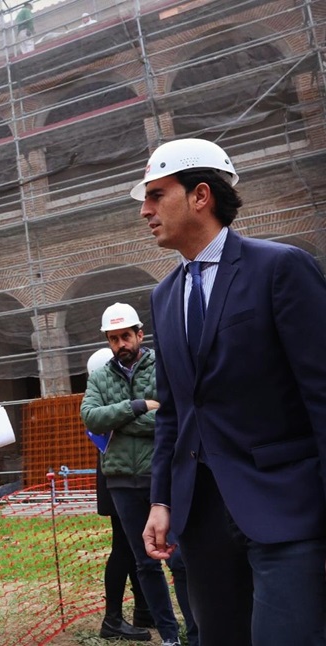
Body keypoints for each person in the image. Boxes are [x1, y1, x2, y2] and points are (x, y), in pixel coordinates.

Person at [133, 137, 326, 646]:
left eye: (155, 195)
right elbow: (174, 412)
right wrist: (162, 502)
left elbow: (321, 394)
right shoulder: (164, 295)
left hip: (286, 508)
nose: (145, 211)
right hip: (203, 522)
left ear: (201, 195)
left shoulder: (280, 268)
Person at [81, 303, 197, 646]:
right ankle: (170, 637)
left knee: (178, 559)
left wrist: (121, 422)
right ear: (108, 340)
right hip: (121, 482)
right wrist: (136, 407)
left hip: (161, 476)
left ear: (139, 334)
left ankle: (196, 632)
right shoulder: (101, 375)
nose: (121, 344)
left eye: (126, 336)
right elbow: (90, 418)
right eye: (114, 339)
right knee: (145, 563)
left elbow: (172, 417)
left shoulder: (162, 368)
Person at [86, 347, 153, 642]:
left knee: (134, 546)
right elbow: (101, 423)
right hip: (116, 476)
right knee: (125, 547)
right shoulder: (101, 397)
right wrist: (141, 409)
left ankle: (143, 609)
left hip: (119, 473)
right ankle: (112, 618)